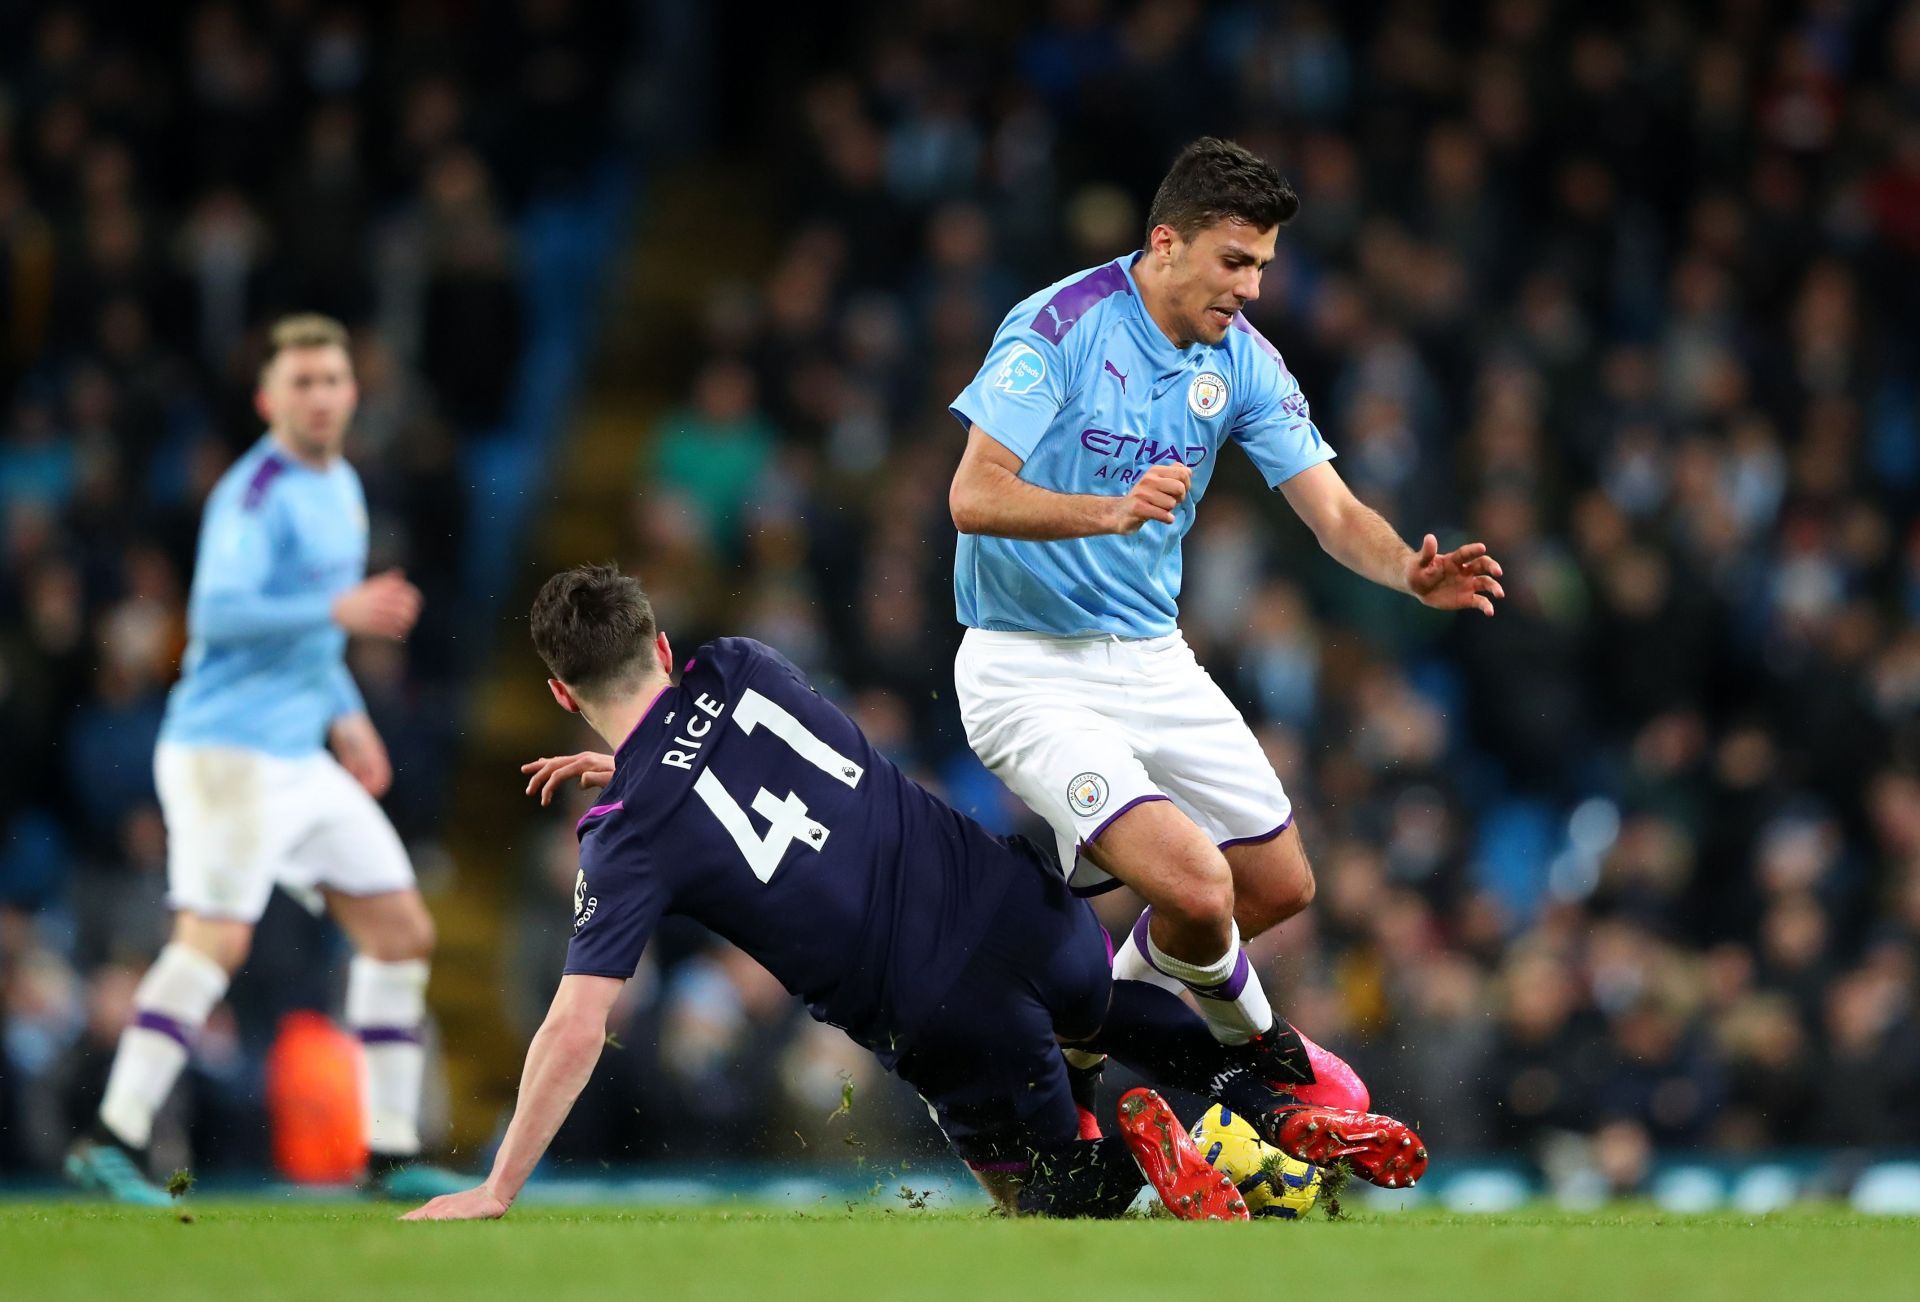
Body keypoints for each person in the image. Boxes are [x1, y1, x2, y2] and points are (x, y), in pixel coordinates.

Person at [403, 565, 1426, 1222]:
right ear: (662, 645)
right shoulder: (743, 666)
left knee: (1035, 1195)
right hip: (1020, 905)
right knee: (1104, 1011)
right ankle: (1273, 1088)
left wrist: (498, 1186)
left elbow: (579, 1025)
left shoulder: (627, 839)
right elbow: (708, 753)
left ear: (559, 696)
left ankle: (1186, 1150)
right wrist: (630, 765)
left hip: (939, 1011)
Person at [945, 137, 1504, 1092]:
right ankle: (1263, 1073)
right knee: (1199, 886)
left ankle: (1090, 1035)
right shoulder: (1058, 326)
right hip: (1025, 664)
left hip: (1151, 657)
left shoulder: (1241, 362)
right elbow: (973, 495)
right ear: (1166, 244)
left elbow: (1330, 511)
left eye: (1262, 267)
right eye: (1234, 262)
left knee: (1279, 887)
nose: (1250, 287)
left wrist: (1406, 573)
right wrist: (1107, 510)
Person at [65, 315, 464, 1204]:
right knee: (215, 940)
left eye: (333, 379)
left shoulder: (345, 488)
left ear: (352, 393)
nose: (321, 396)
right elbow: (216, 615)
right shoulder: (253, 493)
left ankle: (389, 1154)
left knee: (401, 931)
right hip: (224, 753)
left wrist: (348, 716)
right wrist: (337, 614)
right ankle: (110, 1134)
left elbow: (313, 639)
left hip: (296, 753)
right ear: (268, 398)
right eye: (303, 382)